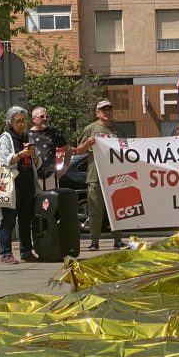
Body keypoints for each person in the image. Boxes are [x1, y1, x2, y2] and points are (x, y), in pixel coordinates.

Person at [77, 100, 125, 250]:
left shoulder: (118, 129)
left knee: (116, 209)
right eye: (104, 110)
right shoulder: (90, 128)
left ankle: (118, 240)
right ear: (97, 113)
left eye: (109, 109)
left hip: (115, 176)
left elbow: (126, 149)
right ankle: (94, 241)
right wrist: (87, 144)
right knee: (96, 209)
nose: (107, 112)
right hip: (96, 175)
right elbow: (79, 150)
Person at [0, 106, 41, 264]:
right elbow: (5, 160)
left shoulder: (27, 137)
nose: (22, 124)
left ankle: (26, 251)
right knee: (9, 220)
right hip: (11, 185)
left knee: (25, 220)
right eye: (18, 121)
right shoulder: (6, 138)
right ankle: (5, 253)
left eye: (24, 120)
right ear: (10, 123)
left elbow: (37, 161)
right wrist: (20, 154)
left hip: (27, 184)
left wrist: (35, 157)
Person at [29, 106, 71, 192]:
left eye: (47, 116)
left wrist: (65, 167)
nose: (45, 119)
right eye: (42, 116)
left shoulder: (53, 133)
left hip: (51, 176)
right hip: (32, 176)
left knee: (52, 203)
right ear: (33, 119)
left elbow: (68, 149)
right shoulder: (27, 135)